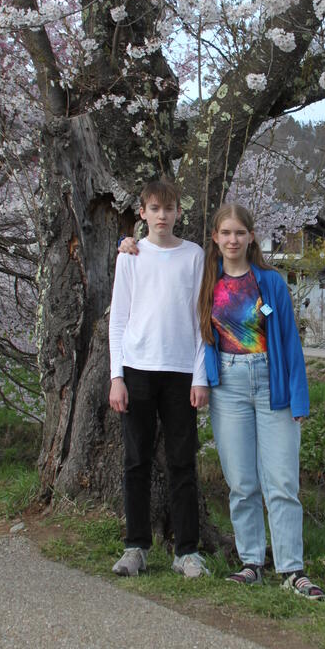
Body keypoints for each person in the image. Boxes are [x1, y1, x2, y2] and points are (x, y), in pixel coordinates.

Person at [200, 203, 325, 600]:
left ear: (251, 236)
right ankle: (251, 562)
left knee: (282, 482)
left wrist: (299, 400)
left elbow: (289, 340)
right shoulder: (207, 281)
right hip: (228, 387)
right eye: (226, 233)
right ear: (216, 239)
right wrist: (127, 243)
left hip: (271, 384)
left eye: (240, 232)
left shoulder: (269, 283)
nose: (233, 240)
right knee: (241, 482)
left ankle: (293, 570)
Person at [108, 178, 210, 579]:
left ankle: (186, 551)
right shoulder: (130, 256)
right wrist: (117, 376)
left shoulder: (194, 255)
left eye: (168, 209)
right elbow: (119, 321)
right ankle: (135, 547)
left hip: (181, 372)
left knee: (182, 462)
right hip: (137, 370)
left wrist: (199, 377)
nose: (162, 216)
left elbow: (202, 321)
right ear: (142, 213)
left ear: (178, 212)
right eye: (154, 208)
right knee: (137, 461)